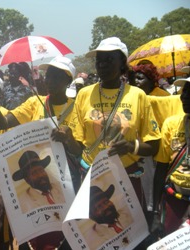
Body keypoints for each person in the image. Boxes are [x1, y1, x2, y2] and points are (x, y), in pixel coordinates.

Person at [51, 37, 161, 247]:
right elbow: (78, 149)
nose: (101, 64)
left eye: (108, 59)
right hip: (92, 184)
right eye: (99, 60)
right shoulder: (84, 95)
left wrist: (131, 146)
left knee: (130, 240)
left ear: (122, 63)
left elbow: (153, 146)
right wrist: (68, 138)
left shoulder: (138, 96)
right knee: (96, 238)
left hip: (128, 179)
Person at [0, 55, 78, 250]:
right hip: (36, 178)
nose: (50, 81)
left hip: (68, 183)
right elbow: (2, 123)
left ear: (68, 81)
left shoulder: (78, 106)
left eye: (56, 77)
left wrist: (69, 138)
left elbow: (80, 150)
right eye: (48, 76)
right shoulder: (35, 103)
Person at [151, 76, 190, 237]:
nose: (184, 97)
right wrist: (155, 213)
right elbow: (161, 169)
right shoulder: (171, 124)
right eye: (184, 91)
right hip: (174, 199)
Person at [83, 185, 133, 249]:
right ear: (91, 216)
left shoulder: (127, 212)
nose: (106, 207)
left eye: (106, 201)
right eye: (99, 206)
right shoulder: (93, 241)